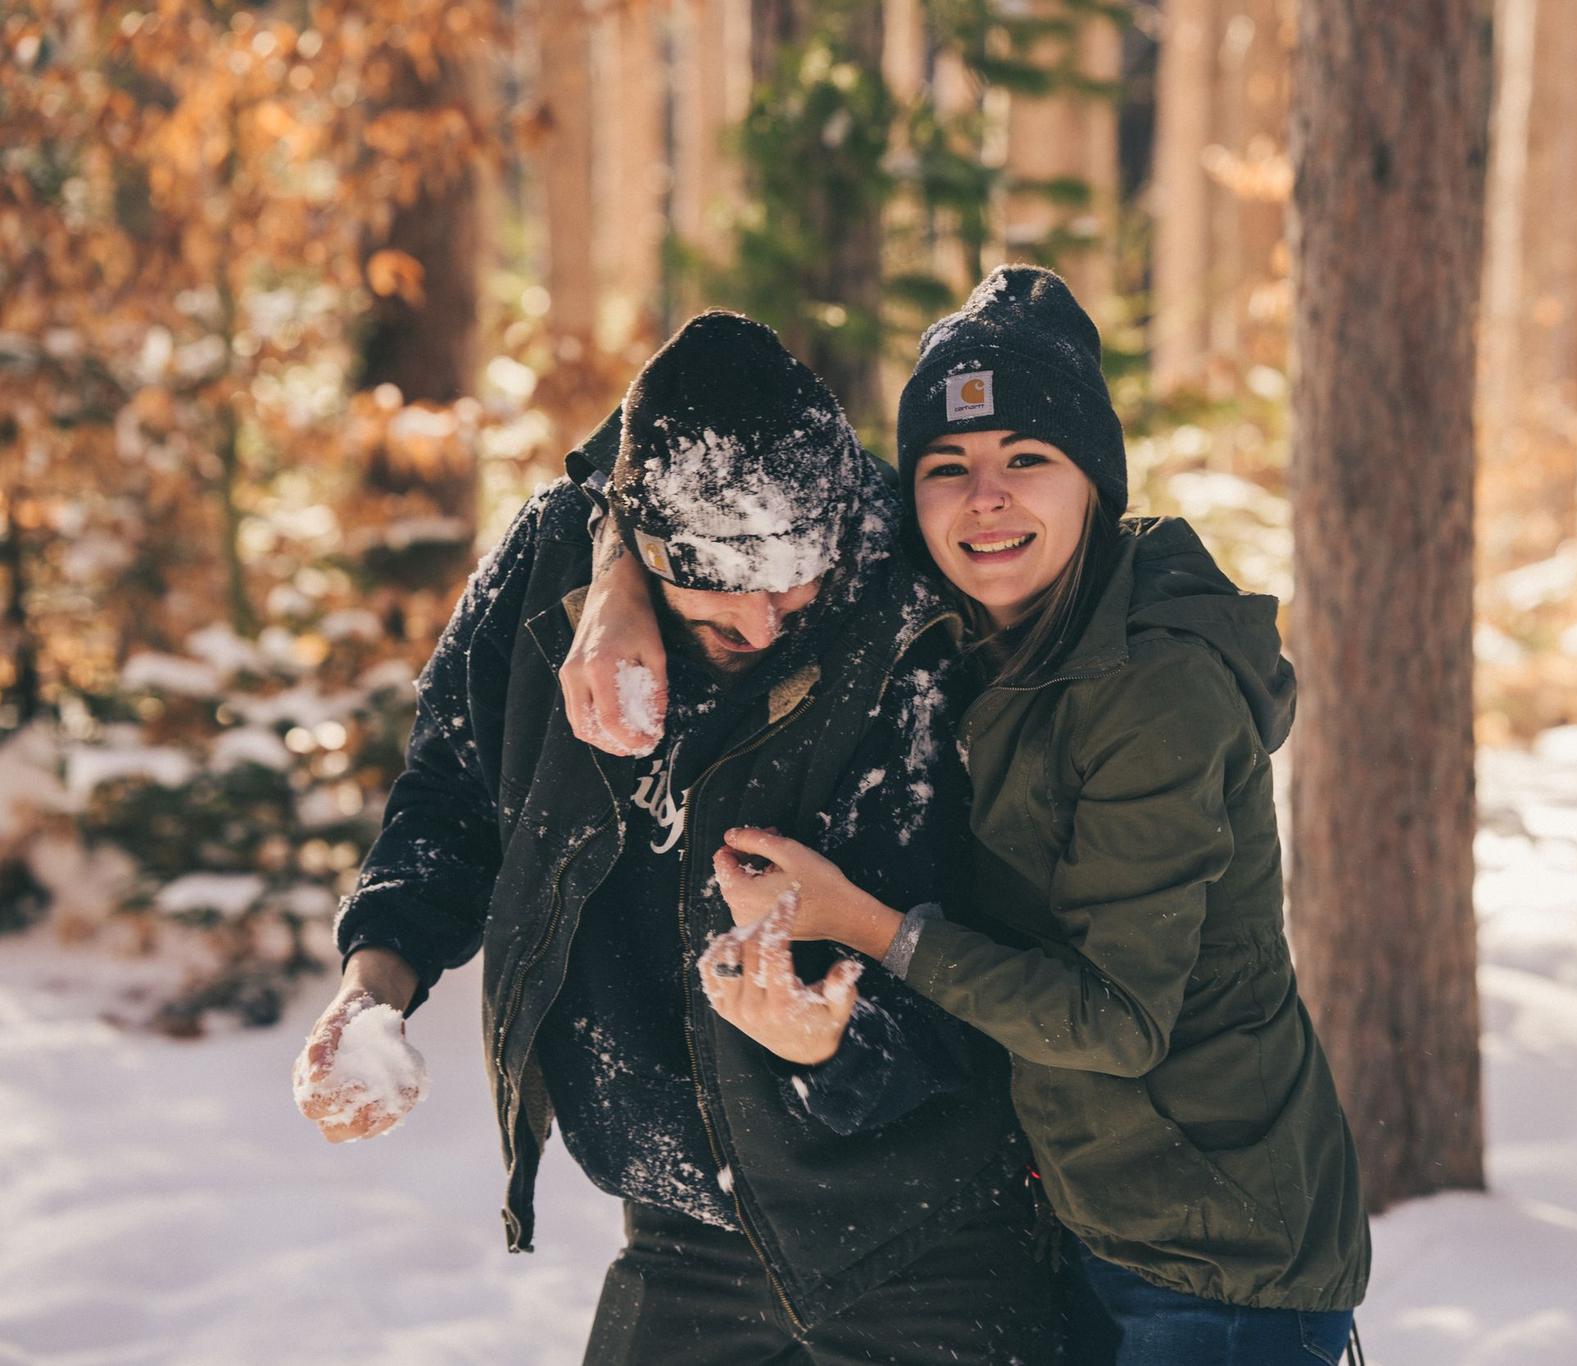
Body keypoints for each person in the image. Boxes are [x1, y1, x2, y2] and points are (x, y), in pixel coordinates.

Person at [565, 267, 1371, 1365]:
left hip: (1216, 1261)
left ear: (1094, 480)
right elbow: (682, 429)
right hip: (1081, 1224)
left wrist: (861, 924)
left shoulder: (1153, 686)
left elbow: (1115, 1021)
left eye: (1025, 460)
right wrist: (618, 574)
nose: (984, 498)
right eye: (947, 468)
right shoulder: (985, 611)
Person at [292, 311, 1057, 1365]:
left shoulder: (925, 605)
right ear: (640, 544)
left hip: (929, 1227)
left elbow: (1019, 941)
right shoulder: (558, 558)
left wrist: (833, 1039)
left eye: (797, 599)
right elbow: (451, 793)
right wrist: (370, 987)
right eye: (721, 613)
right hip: (686, 1229)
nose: (764, 632)